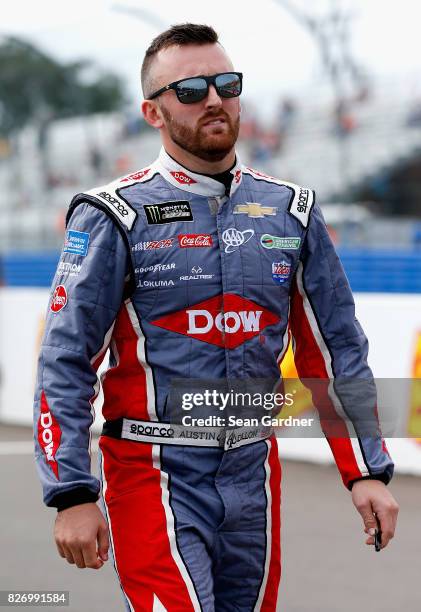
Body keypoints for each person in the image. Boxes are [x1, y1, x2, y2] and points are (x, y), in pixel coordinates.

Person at [34, 23, 399, 612]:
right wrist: (72, 490)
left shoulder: (292, 210)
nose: (213, 99)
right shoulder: (114, 214)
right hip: (153, 470)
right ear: (153, 113)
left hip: (253, 471)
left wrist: (366, 473)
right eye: (191, 89)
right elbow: (65, 360)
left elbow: (334, 351)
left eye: (226, 84)